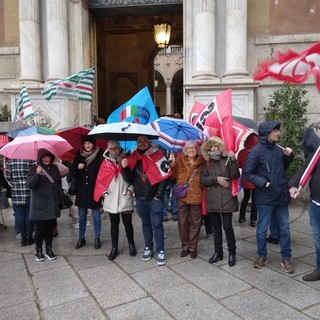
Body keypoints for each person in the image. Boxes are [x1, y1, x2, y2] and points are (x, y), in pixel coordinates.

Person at [244, 121, 294, 273]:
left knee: (285, 228)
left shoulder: (279, 150)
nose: (279, 133)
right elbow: (248, 173)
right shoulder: (256, 151)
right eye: (276, 131)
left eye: (278, 130)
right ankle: (262, 256)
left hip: (281, 195)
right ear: (267, 133)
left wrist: (288, 157)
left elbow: (281, 168)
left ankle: (286, 258)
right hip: (265, 197)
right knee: (262, 229)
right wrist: (263, 183)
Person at [121, 135, 170, 266]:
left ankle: (160, 250)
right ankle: (148, 247)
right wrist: (125, 167)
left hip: (154, 199)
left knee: (157, 224)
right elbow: (129, 179)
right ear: (136, 143)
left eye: (144, 141)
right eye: (139, 141)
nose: (142, 143)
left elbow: (165, 177)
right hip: (140, 198)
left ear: (149, 142)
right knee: (145, 224)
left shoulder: (158, 155)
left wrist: (158, 196)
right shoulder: (132, 157)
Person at [200, 136, 239, 267]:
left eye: (216, 146)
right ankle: (218, 252)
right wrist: (216, 179)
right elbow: (203, 180)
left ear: (220, 147)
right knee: (216, 227)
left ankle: (232, 252)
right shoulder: (206, 162)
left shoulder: (227, 159)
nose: (213, 148)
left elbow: (235, 175)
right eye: (211, 146)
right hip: (212, 199)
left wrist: (233, 160)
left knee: (227, 226)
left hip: (227, 198)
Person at [94, 140, 136, 261]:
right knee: (114, 224)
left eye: (116, 148)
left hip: (124, 195)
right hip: (111, 197)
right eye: (111, 149)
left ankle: (131, 244)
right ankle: (114, 247)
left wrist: (130, 190)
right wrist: (104, 192)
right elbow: (101, 179)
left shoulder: (127, 160)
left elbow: (133, 179)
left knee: (128, 223)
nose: (114, 151)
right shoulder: (105, 162)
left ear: (120, 148)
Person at [288, 121, 320, 281]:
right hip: (316, 203)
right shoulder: (318, 150)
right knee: (318, 238)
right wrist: (294, 184)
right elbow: (307, 166)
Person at [169, 140, 204, 259]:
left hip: (197, 195)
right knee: (182, 223)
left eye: (193, 148)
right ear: (185, 150)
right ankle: (185, 246)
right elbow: (172, 176)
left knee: (195, 223)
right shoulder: (180, 159)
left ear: (197, 149)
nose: (191, 150)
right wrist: (172, 165)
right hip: (182, 196)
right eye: (188, 148)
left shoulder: (202, 161)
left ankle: (193, 248)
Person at [26, 149, 61, 261]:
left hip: (51, 202)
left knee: (50, 228)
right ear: (40, 158)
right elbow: (30, 185)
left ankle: (49, 249)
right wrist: (36, 173)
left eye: (48, 156)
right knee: (40, 229)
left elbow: (58, 182)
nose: (47, 159)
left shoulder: (54, 168)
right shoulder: (33, 168)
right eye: (44, 157)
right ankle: (39, 251)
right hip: (39, 204)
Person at [71, 135, 104, 250]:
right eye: (85, 143)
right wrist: (77, 167)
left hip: (95, 189)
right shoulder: (79, 154)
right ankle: (81, 238)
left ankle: (97, 237)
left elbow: (103, 171)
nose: (87, 145)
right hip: (82, 190)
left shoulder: (100, 154)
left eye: (89, 143)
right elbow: (72, 172)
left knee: (96, 215)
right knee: (82, 215)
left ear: (93, 144)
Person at [5, 159, 35, 246]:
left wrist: (14, 183)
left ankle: (23, 238)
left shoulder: (10, 162)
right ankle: (29, 237)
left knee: (19, 214)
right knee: (29, 214)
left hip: (16, 190)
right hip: (29, 189)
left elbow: (7, 176)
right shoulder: (30, 161)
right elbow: (34, 174)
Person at [237, 133, 258, 227]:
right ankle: (253, 219)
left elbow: (239, 165)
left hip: (245, 179)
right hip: (256, 179)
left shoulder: (242, 152)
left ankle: (241, 217)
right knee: (255, 199)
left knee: (246, 197)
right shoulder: (258, 151)